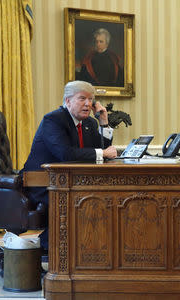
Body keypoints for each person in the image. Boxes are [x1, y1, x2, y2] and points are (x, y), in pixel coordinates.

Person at [21, 80, 118, 250]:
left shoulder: (89, 123)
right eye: (82, 99)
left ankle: (89, 251)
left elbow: (100, 149)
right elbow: (65, 154)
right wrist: (102, 153)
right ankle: (46, 247)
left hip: (69, 182)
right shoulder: (53, 120)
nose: (88, 104)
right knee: (82, 204)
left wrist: (104, 122)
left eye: (91, 99)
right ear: (67, 101)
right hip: (42, 183)